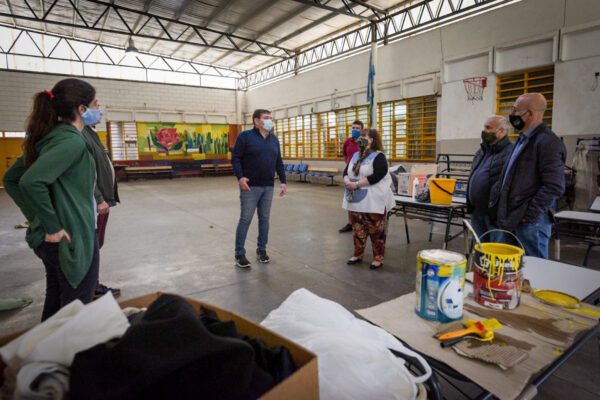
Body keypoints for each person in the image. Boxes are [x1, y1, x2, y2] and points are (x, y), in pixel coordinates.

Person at [2, 78, 99, 320]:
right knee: (75, 311)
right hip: (71, 238)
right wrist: (52, 225)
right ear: (81, 109)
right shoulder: (71, 142)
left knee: (56, 304)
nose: (99, 109)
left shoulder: (51, 136)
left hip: (53, 239)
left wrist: (37, 218)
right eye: (95, 104)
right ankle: (65, 345)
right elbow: (30, 181)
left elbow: (11, 179)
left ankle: (47, 344)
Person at [492, 93, 566, 258]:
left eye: (515, 110)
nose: (512, 114)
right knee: (513, 267)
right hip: (513, 218)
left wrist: (528, 215)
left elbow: (554, 186)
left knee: (533, 268)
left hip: (531, 223)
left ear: (530, 114)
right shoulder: (523, 140)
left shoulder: (547, 142)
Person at [231, 109, 287, 268]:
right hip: (250, 186)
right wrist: (240, 177)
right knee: (245, 219)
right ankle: (239, 253)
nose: (270, 120)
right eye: (266, 118)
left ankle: (261, 250)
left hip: (268, 186)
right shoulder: (245, 137)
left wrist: (283, 181)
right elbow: (235, 158)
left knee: (264, 219)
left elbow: (278, 161)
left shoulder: (273, 139)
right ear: (256, 121)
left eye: (271, 118)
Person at [343, 129, 395, 270]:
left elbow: (377, 175)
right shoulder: (355, 155)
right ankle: (357, 254)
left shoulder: (379, 156)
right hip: (356, 198)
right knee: (357, 228)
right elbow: (346, 171)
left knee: (376, 230)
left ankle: (378, 258)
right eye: (360, 137)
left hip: (373, 199)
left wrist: (357, 184)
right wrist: (347, 181)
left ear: (372, 140)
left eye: (364, 137)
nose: (361, 139)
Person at [80, 123, 121, 299]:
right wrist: (98, 198)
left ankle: (92, 285)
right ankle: (90, 287)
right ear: (81, 110)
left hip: (103, 200)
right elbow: (86, 174)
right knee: (91, 247)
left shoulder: (90, 133)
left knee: (96, 245)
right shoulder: (79, 135)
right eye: (96, 108)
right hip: (96, 202)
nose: (100, 112)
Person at [466, 115, 513, 242]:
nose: (484, 131)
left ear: (501, 131)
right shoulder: (482, 151)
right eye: (484, 127)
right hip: (477, 210)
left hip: (494, 215)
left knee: (495, 249)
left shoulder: (510, 153)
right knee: (479, 247)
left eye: (488, 128)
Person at [339, 120, 363, 233]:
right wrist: (349, 168)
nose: (355, 130)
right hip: (350, 174)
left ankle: (362, 223)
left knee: (362, 198)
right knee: (350, 198)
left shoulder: (364, 142)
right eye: (353, 128)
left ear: (362, 130)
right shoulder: (347, 142)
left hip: (362, 174)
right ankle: (350, 223)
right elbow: (345, 156)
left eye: (357, 128)